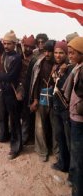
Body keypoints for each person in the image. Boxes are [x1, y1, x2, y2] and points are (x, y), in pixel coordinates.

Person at [0, 30, 22, 160]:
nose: (6, 46)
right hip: (3, 90)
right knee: (2, 115)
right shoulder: (4, 53)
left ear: (14, 44)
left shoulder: (17, 58)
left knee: (14, 120)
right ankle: (2, 136)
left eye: (9, 44)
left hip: (12, 92)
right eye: (4, 43)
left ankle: (16, 147)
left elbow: (10, 77)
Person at [30, 40, 58, 162]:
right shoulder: (39, 64)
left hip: (55, 100)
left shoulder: (60, 65)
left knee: (55, 126)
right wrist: (35, 99)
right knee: (40, 126)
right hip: (41, 99)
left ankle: (57, 151)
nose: (47, 54)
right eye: (45, 51)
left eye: (50, 51)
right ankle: (42, 151)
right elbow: (35, 83)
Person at [64, 37, 83, 196]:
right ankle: (73, 179)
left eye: (72, 53)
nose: (69, 56)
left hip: (79, 119)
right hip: (75, 116)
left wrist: (77, 107)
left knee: (77, 156)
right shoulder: (77, 67)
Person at [51, 41, 73, 174]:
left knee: (69, 140)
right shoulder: (56, 67)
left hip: (66, 110)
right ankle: (63, 164)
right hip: (56, 108)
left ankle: (72, 171)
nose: (58, 55)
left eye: (61, 53)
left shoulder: (71, 68)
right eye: (56, 53)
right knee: (60, 137)